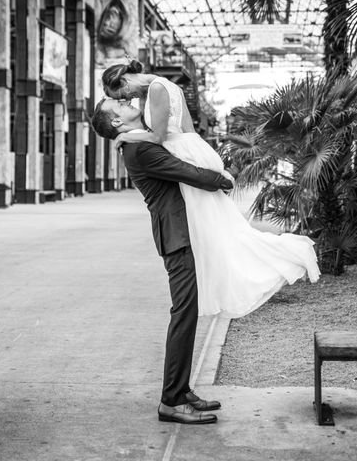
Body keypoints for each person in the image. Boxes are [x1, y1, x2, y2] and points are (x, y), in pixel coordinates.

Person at [101, 60, 320, 319]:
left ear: (124, 80)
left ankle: (256, 265)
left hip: (185, 150)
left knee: (215, 230)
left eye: (123, 95)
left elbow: (158, 138)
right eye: (123, 100)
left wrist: (126, 136)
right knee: (217, 229)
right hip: (190, 147)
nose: (129, 100)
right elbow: (183, 130)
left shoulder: (157, 89)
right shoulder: (161, 87)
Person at [91, 97, 231, 425]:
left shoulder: (141, 142)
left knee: (187, 311)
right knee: (183, 313)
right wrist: (222, 179)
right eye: (119, 103)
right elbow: (185, 172)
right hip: (176, 236)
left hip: (181, 232)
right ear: (115, 122)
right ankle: (171, 400)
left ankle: (181, 392)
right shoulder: (139, 150)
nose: (126, 100)